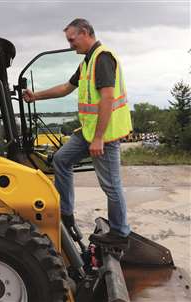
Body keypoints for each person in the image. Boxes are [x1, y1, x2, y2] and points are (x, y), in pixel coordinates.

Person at [23, 18, 133, 246]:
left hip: (105, 134)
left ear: (85, 33)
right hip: (88, 131)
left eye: (72, 40)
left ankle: (120, 232)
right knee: (62, 159)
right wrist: (36, 95)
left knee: (111, 185)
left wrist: (100, 138)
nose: (71, 44)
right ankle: (66, 211)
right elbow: (66, 87)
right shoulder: (86, 62)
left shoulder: (102, 58)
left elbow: (107, 98)